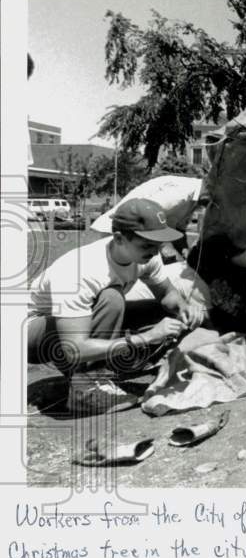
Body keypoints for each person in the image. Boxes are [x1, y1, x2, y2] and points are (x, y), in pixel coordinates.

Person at [26, 198, 207, 414]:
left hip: (77, 322)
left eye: (158, 244)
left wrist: (185, 308)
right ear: (120, 239)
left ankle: (119, 364)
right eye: (147, 244)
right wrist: (147, 337)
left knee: (160, 311)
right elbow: (73, 349)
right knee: (112, 298)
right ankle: (85, 390)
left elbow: (168, 295)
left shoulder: (147, 256)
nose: (155, 251)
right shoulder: (81, 270)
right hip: (31, 335)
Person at [92, 175, 205, 261]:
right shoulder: (181, 192)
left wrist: (184, 250)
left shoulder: (194, 201)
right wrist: (165, 247)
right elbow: (149, 215)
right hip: (122, 231)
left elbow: (178, 230)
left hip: (141, 239)